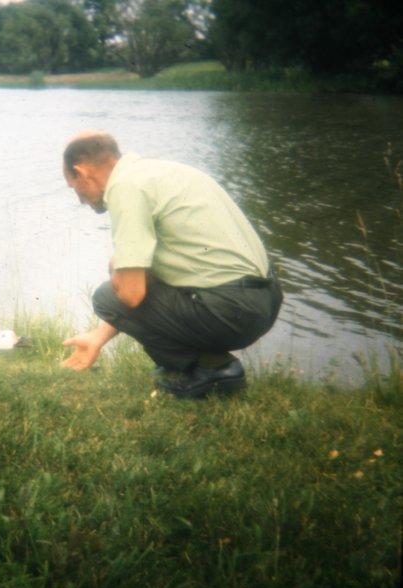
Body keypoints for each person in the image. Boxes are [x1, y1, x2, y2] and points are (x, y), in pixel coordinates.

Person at [60, 131, 282, 399]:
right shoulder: (163, 172)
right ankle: (191, 365)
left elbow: (131, 295)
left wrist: (118, 267)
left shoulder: (125, 188)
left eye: (75, 189)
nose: (80, 200)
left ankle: (212, 371)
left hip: (232, 309)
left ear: (81, 172)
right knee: (133, 274)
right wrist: (99, 336)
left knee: (106, 296)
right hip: (264, 300)